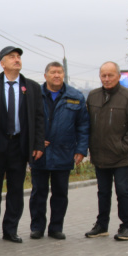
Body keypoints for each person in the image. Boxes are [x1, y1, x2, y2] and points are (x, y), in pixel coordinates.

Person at [0, 46, 45, 244]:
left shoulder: (32, 87)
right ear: (2, 63)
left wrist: (38, 145)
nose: (16, 60)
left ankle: (11, 229)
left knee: (16, 190)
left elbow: (39, 118)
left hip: (19, 145)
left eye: (18, 57)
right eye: (12, 57)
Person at [28, 62, 89, 240]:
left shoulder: (75, 96)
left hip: (64, 152)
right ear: (45, 75)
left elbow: (83, 125)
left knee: (60, 193)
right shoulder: (34, 95)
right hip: (40, 153)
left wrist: (81, 149)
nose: (57, 75)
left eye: (60, 72)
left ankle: (56, 227)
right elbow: (27, 122)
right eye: (53, 72)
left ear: (64, 75)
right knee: (38, 193)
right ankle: (37, 227)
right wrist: (35, 142)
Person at [85, 61, 128, 241]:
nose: (107, 79)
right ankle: (102, 225)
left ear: (118, 76)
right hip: (100, 154)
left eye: (110, 75)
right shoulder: (93, 96)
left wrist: (123, 146)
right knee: (103, 192)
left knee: (122, 190)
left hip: (120, 156)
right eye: (104, 75)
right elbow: (87, 124)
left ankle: (127, 226)